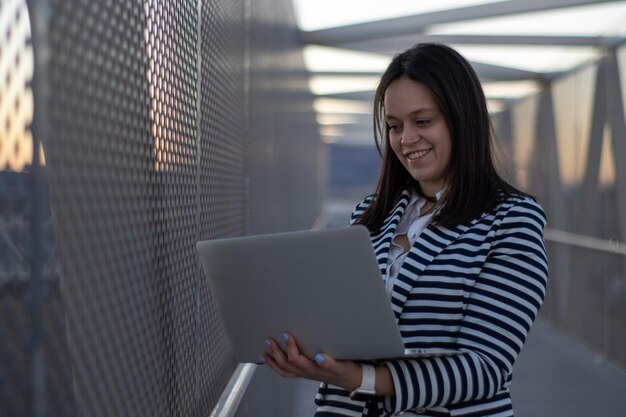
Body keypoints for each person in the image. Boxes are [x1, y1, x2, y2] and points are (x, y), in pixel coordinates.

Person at [262, 43, 548, 417]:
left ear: (462, 119)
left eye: (423, 121)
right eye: (394, 126)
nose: (405, 139)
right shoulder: (369, 216)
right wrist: (305, 350)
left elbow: (485, 367)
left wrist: (361, 379)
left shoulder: (511, 220)